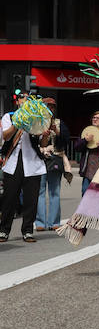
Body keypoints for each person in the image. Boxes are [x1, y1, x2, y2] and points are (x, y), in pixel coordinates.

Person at [0, 90, 50, 243]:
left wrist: (46, 134)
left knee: (31, 200)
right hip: (12, 163)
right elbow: (6, 136)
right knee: (9, 199)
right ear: (17, 101)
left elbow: (42, 143)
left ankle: (27, 231)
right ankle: (4, 230)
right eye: (22, 98)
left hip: (33, 163)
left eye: (28, 98)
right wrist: (20, 121)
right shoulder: (9, 116)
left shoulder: (37, 118)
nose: (25, 100)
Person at [35, 96, 72, 232]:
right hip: (39, 159)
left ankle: (54, 221)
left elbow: (66, 140)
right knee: (40, 191)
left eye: (51, 106)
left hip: (55, 158)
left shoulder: (59, 122)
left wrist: (57, 131)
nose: (49, 109)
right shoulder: (36, 122)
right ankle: (40, 222)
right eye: (46, 106)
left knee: (54, 191)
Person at [78, 110, 99, 195]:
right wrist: (85, 140)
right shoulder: (87, 131)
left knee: (98, 196)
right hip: (88, 171)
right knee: (85, 193)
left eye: (98, 118)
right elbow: (77, 147)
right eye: (93, 118)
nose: (95, 119)